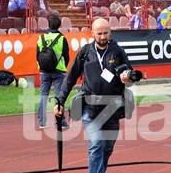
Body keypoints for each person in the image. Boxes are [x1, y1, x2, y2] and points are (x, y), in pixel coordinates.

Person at [56, 18, 135, 173]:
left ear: (110, 32)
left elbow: (130, 74)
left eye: (106, 33)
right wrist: (60, 101)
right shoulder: (85, 53)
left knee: (107, 149)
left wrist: (128, 77)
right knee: (96, 144)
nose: (103, 36)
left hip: (112, 110)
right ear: (92, 33)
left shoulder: (118, 51)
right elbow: (70, 79)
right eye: (99, 33)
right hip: (90, 109)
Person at [36, 13, 69, 129]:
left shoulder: (41, 38)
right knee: (59, 96)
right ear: (59, 25)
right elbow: (66, 55)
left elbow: (37, 54)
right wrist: (64, 66)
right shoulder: (61, 38)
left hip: (44, 70)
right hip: (58, 70)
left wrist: (41, 67)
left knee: (43, 95)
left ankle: (41, 122)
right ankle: (61, 121)